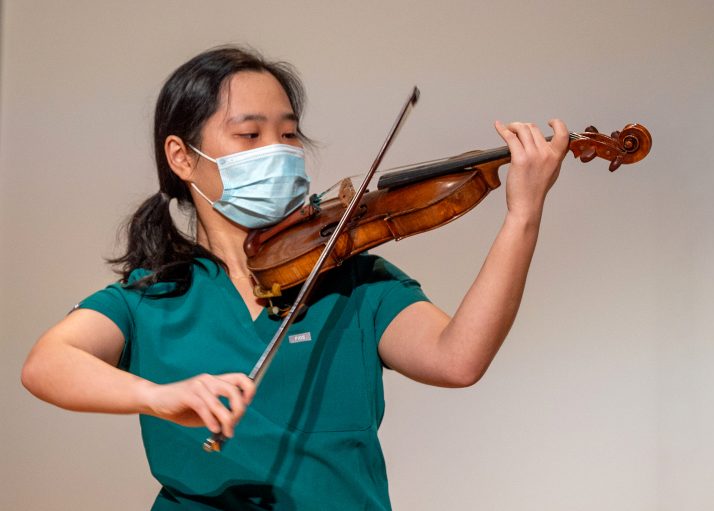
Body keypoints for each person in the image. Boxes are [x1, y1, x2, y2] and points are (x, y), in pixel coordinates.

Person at [21, 46, 569, 510]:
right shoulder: (157, 293)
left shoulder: (353, 278)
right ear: (181, 158)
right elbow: (47, 364)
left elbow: (458, 360)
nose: (278, 152)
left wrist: (523, 215)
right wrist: (158, 397)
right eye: (249, 135)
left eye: (287, 134)